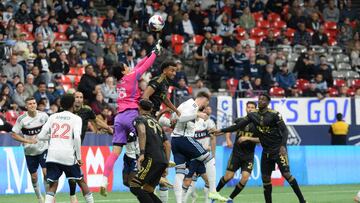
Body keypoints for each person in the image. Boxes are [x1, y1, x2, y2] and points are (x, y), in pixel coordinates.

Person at [211, 93, 306, 203]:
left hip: (278, 150)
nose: (260, 101)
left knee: (287, 175)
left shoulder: (275, 115)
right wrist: (222, 131)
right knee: (265, 180)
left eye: (263, 100)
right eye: (259, 99)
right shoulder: (253, 116)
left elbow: (284, 130)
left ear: (268, 102)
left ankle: (302, 200)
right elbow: (237, 126)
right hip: (266, 152)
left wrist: (283, 146)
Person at [100, 40, 162, 196]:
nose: (129, 67)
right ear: (123, 70)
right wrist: (155, 53)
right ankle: (157, 165)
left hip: (119, 117)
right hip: (132, 114)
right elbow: (145, 66)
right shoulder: (132, 77)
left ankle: (103, 180)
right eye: (126, 66)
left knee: (115, 152)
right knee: (148, 137)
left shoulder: (121, 81)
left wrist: (150, 51)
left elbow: (139, 65)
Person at [36, 95, 94, 203]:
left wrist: (53, 136)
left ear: (61, 105)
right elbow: (77, 137)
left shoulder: (53, 117)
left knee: (53, 185)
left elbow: (40, 136)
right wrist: (79, 157)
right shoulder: (76, 118)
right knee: (81, 182)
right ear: (73, 104)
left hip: (52, 155)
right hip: (68, 155)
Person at [171, 92, 227, 203]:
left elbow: (173, 118)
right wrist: (197, 115)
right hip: (184, 138)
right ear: (203, 99)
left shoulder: (184, 104)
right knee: (209, 160)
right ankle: (213, 191)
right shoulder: (193, 106)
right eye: (206, 103)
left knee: (180, 172)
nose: (205, 107)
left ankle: (179, 202)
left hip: (175, 140)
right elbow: (181, 118)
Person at [68, 91, 112, 202]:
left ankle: (72, 196)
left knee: (74, 175)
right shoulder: (67, 111)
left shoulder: (86, 110)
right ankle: (75, 197)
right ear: (73, 99)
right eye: (76, 97)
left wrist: (108, 128)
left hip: (76, 147)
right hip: (65, 146)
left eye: (80, 97)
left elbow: (96, 120)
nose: (78, 99)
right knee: (76, 175)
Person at [214, 101, 259, 203]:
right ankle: (214, 193)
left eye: (252, 107)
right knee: (228, 177)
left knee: (245, 178)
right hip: (236, 154)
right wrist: (228, 139)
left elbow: (261, 139)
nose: (250, 109)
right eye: (249, 107)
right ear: (246, 109)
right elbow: (231, 129)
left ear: (256, 109)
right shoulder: (240, 120)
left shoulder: (258, 124)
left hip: (249, 156)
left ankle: (230, 199)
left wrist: (247, 138)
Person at [129, 99, 171, 203]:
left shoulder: (139, 119)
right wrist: (166, 163)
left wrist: (142, 153)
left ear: (139, 107)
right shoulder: (156, 123)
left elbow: (142, 132)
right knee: (148, 190)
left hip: (151, 158)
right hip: (162, 160)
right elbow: (167, 144)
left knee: (134, 186)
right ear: (151, 109)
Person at [11, 97, 49, 203]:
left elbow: (51, 129)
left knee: (46, 173)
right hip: (30, 152)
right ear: (26, 106)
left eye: (34, 103)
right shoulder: (22, 119)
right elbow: (13, 134)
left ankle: (48, 198)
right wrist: (27, 141)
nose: (32, 105)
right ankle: (39, 198)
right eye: (30, 104)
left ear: (36, 104)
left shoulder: (44, 116)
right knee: (34, 177)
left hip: (43, 149)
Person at [183, 106, 217, 203]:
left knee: (208, 181)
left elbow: (213, 136)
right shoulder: (189, 123)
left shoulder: (207, 122)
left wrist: (213, 154)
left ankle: (206, 201)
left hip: (204, 157)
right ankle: (187, 199)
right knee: (188, 181)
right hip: (192, 156)